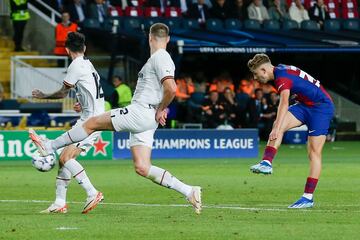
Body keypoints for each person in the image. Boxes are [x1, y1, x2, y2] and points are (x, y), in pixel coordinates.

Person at [29, 23, 202, 214]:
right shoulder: (156, 59)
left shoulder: (161, 57)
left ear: (150, 38)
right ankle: (189, 190)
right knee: (142, 167)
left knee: (91, 123)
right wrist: (159, 108)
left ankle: (50, 147)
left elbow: (171, 88)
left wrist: (162, 108)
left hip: (141, 112)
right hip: (147, 117)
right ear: (168, 39)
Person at [247, 54, 335, 208]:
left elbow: (284, 103)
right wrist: (277, 126)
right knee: (277, 125)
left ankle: (308, 197)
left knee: (313, 152)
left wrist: (277, 127)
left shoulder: (281, 77)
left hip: (321, 107)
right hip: (304, 105)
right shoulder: (280, 70)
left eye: (255, 73)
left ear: (263, 69)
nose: (255, 78)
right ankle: (267, 162)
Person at [30, 32, 105, 214]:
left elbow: (63, 93)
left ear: (66, 49)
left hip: (91, 121)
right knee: (64, 161)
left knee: (65, 158)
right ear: (84, 48)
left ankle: (92, 192)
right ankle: (59, 203)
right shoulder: (88, 63)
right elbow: (92, 89)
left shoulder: (76, 65)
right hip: (91, 115)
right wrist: (83, 103)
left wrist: (43, 96)